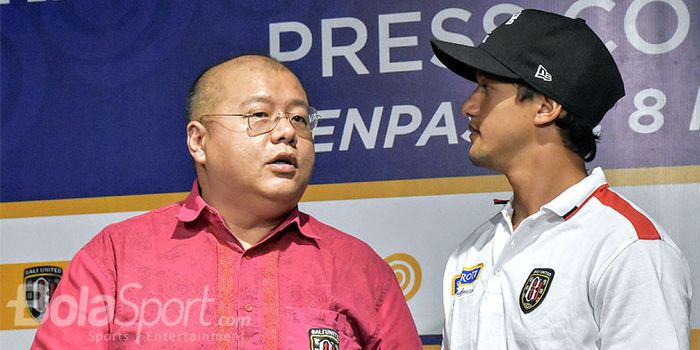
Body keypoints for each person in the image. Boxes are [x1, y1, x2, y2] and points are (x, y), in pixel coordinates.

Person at [32, 54, 422, 349]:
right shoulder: (114, 258)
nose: (287, 131)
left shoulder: (360, 269)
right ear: (199, 141)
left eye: (300, 119)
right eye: (260, 115)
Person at [431, 9, 692, 350]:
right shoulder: (470, 253)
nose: (468, 106)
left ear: (546, 107)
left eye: (486, 88)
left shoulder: (627, 247)